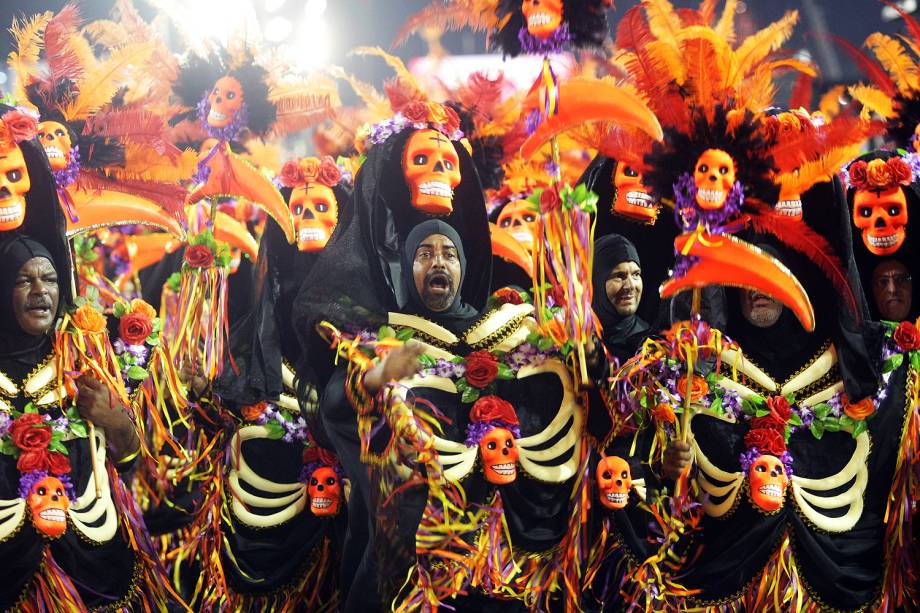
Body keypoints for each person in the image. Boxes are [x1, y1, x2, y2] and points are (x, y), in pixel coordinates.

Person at [592, 234, 651, 363]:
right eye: (619, 276)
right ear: (596, 281)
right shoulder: (576, 342)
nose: (630, 286)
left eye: (636, 274)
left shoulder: (650, 346)